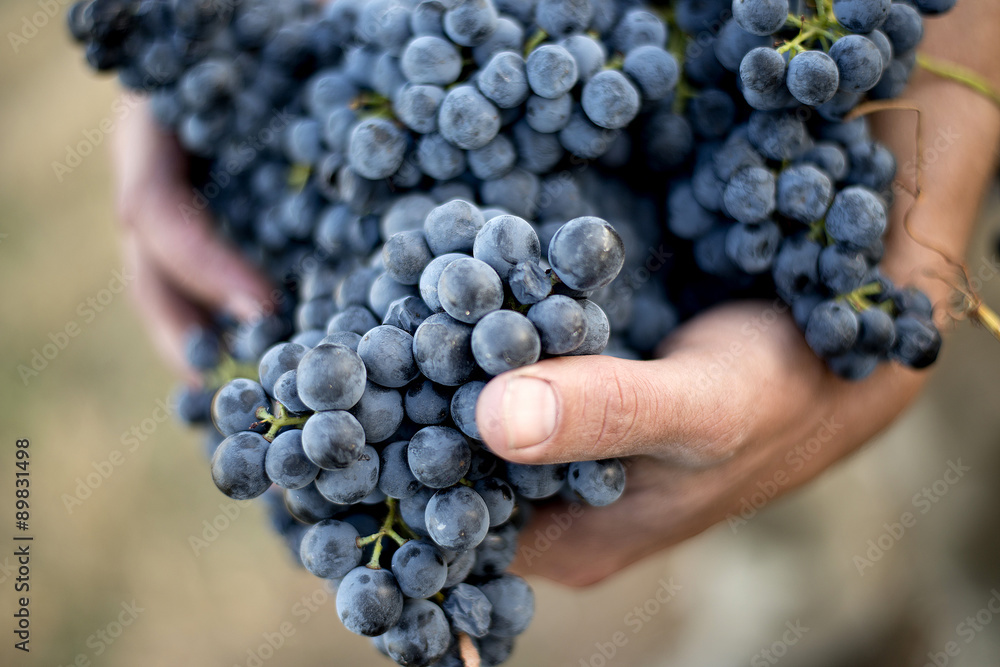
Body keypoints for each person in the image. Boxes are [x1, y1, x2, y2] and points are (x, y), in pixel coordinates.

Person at [112, 2, 1000, 587]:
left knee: (969, 498)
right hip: (663, 248)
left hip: (894, 152)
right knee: (725, 498)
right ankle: (803, 612)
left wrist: (937, 214)